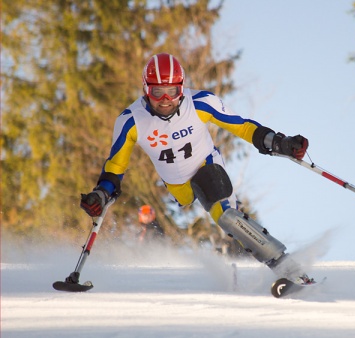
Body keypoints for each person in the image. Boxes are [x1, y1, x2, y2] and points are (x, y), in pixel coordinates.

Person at [80, 53, 312, 284]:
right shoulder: (131, 121)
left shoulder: (201, 103)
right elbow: (116, 166)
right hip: (177, 185)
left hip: (206, 165)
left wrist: (279, 142)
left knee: (226, 215)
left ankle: (286, 266)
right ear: (145, 89)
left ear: (181, 88)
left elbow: (243, 127)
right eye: (157, 92)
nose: (165, 100)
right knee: (193, 199)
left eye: (172, 91)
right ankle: (236, 214)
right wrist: (101, 194)